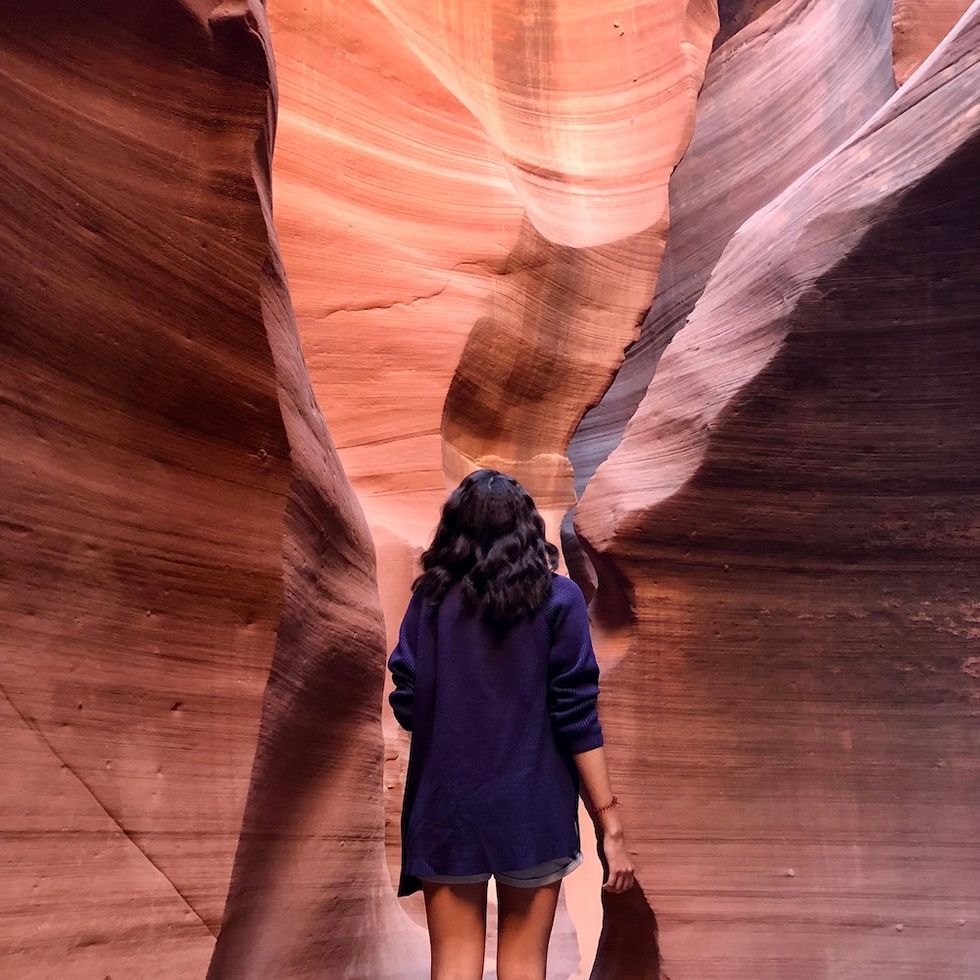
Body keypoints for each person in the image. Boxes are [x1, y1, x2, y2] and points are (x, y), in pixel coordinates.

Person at [386, 467, 634, 980]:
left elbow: (406, 698)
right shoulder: (559, 599)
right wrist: (609, 824)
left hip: (447, 811)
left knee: (453, 966)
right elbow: (577, 715)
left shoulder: (429, 601)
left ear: (454, 530)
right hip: (533, 813)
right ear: (527, 528)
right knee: (524, 966)